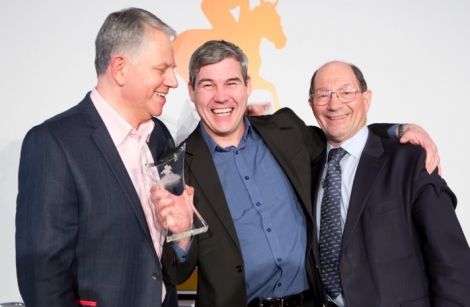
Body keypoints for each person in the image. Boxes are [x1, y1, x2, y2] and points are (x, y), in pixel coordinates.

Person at [154, 40, 440, 307]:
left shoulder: (286, 131)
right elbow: (176, 273)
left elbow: (341, 136)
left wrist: (398, 130)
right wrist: (182, 234)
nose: (221, 96)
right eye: (207, 85)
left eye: (231, 82)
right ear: (191, 90)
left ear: (247, 86)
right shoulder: (173, 169)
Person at [16, 8, 192, 307]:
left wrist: (184, 234)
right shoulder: (53, 143)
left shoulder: (160, 137)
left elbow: (174, 269)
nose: (173, 81)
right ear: (120, 68)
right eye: (161, 69)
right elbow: (42, 278)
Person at [308, 61, 470, 306]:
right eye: (323, 95)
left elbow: (453, 262)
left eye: (346, 92)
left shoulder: (410, 161)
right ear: (311, 104)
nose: (334, 104)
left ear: (366, 98)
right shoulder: (307, 165)